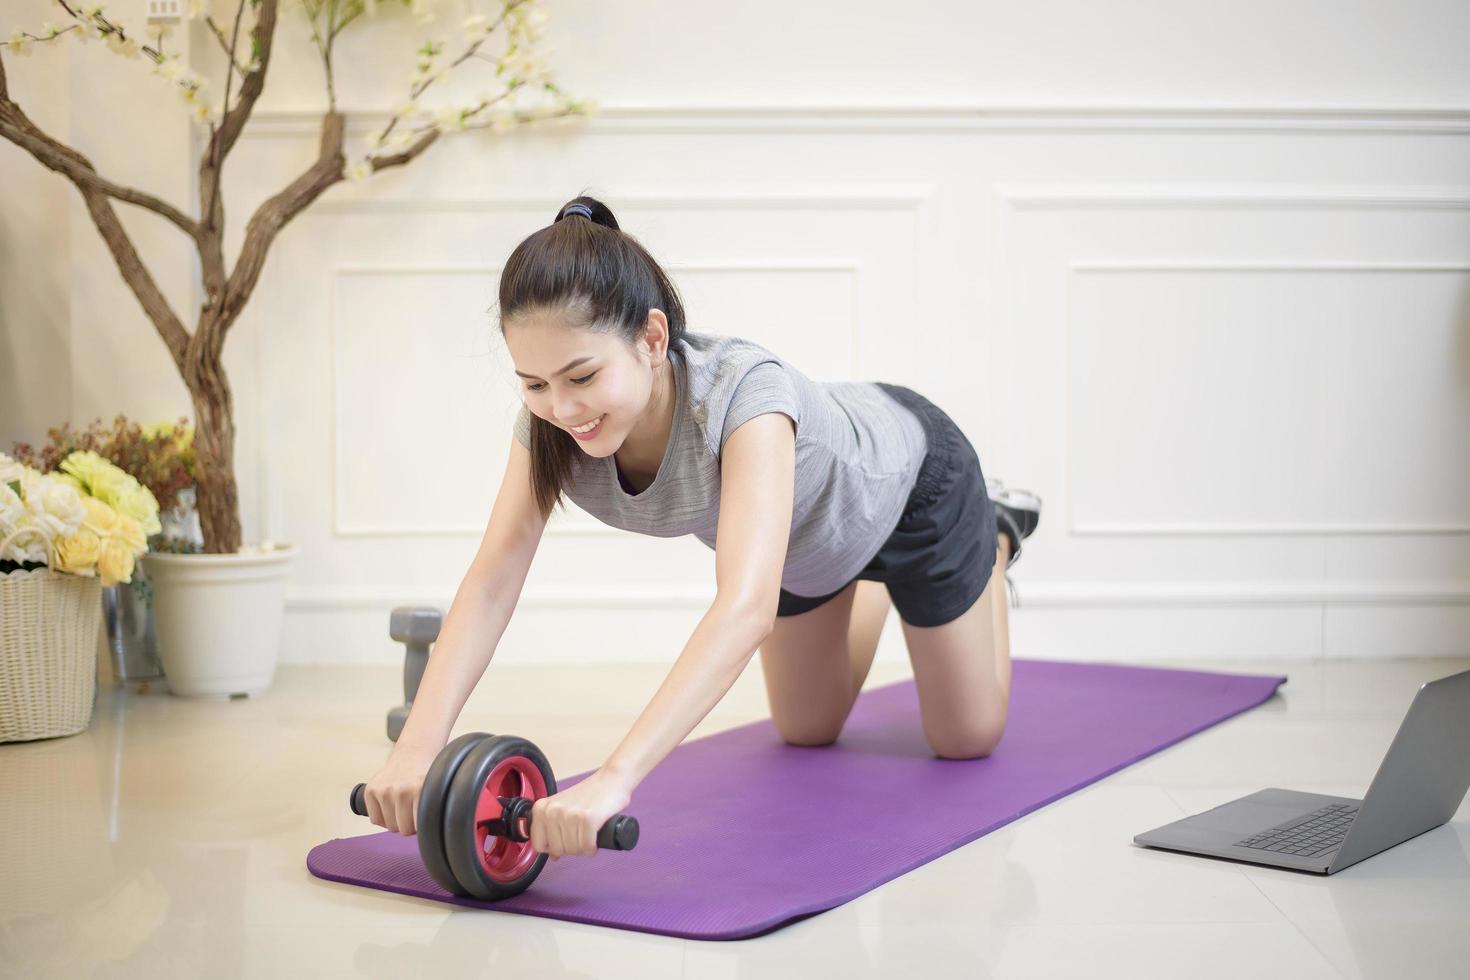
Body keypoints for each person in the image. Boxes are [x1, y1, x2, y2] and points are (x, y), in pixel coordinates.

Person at [361, 195, 1041, 860]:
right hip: (803, 541)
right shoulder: (549, 427)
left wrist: (612, 779)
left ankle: (997, 532)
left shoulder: (746, 397)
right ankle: (867, 577)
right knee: (808, 729)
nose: (562, 407)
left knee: (966, 736)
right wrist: (416, 749)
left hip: (917, 486)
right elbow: (493, 580)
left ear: (652, 338)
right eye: (534, 383)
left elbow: (744, 609)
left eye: (582, 375)